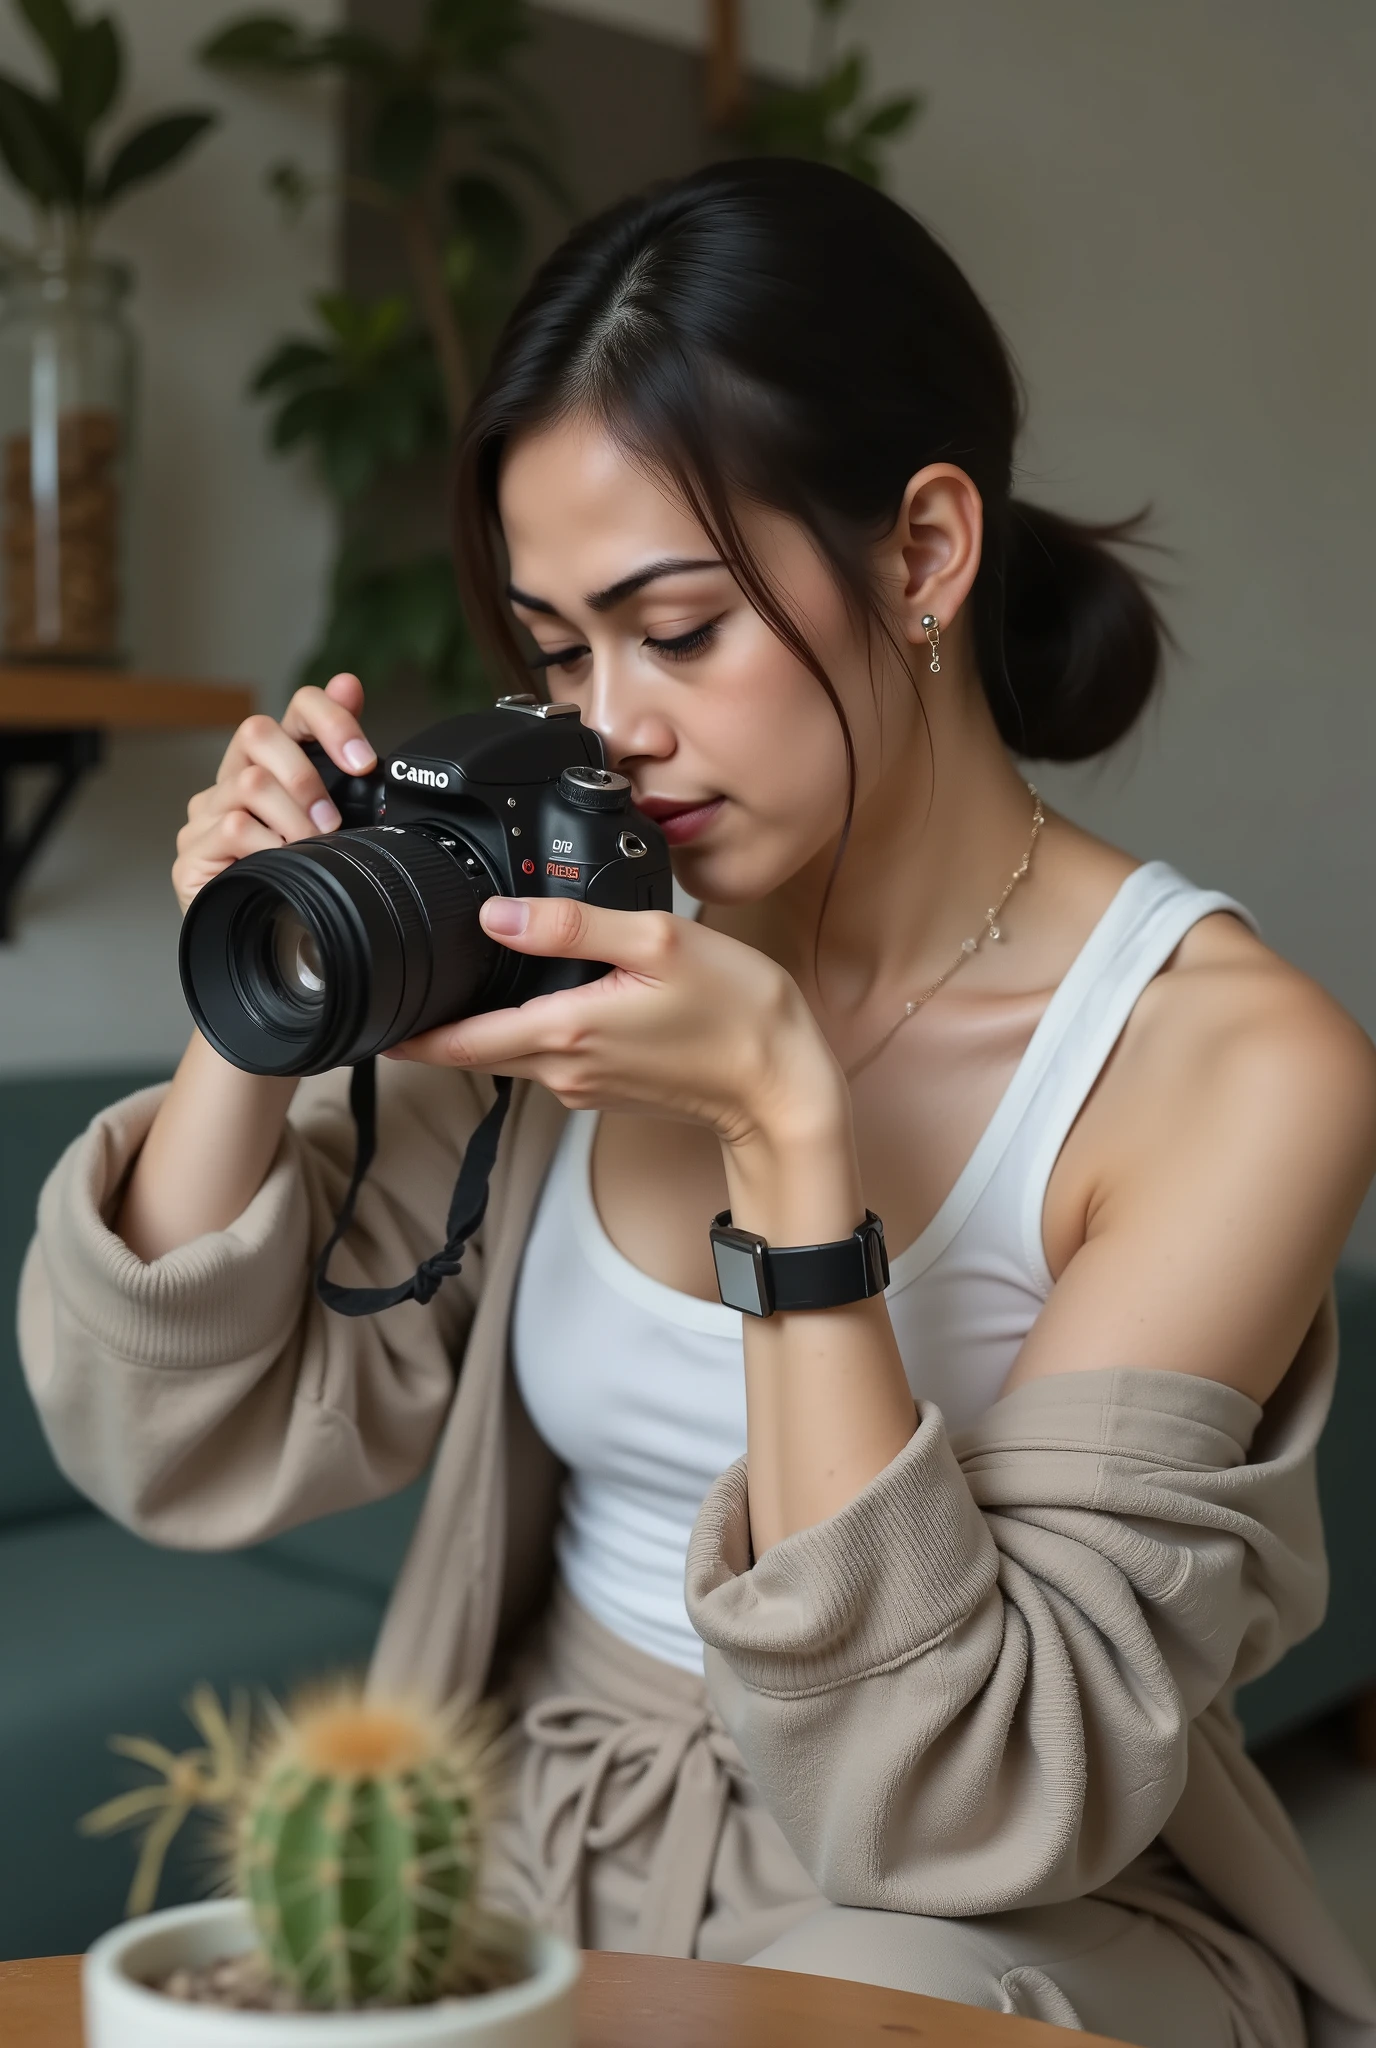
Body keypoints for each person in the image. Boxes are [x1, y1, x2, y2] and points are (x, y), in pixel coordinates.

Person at [20, 160, 1376, 2047]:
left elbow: (955, 1801)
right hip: (527, 1816)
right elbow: (170, 1441)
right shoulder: (586, 925)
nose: (614, 728)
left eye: (680, 629)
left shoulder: (1233, 1063)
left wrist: (789, 1143)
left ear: (921, 555)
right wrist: (264, 980)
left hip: (964, 1910)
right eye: (561, 647)